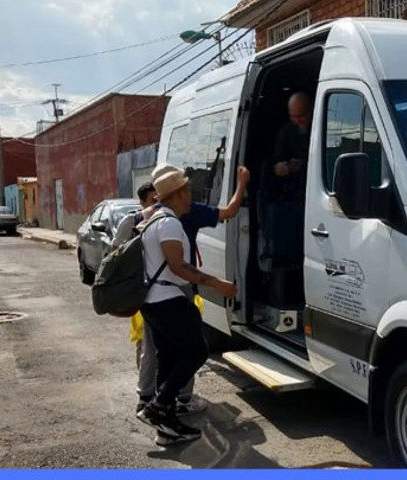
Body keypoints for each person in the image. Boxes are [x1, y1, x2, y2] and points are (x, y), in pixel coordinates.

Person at [136, 164, 250, 425]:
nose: (191, 193)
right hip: (169, 299)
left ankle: (166, 420)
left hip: (152, 299)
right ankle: (160, 405)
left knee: (166, 356)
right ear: (178, 193)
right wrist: (217, 283)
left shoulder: (152, 217)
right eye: (187, 189)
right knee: (196, 352)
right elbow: (179, 267)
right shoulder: (170, 224)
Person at [112, 182, 159, 370]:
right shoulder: (131, 222)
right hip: (140, 289)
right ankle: (145, 382)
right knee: (144, 339)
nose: (157, 205)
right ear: (141, 202)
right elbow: (115, 254)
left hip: (162, 288)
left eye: (159, 199)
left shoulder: (166, 221)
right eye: (152, 200)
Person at [269, 92, 312, 201]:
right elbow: (272, 163)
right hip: (292, 195)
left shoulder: (322, 127)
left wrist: (304, 164)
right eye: (293, 117)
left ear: (311, 110)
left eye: (301, 116)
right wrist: (278, 168)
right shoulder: (286, 132)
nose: (297, 121)